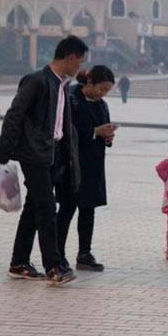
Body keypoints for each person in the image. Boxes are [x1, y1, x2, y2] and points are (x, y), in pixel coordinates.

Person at [0, 35, 87, 286]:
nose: (80, 66)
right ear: (69, 58)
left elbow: (61, 124)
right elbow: (15, 114)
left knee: (35, 208)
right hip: (34, 154)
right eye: (79, 61)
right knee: (47, 208)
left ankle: (19, 262)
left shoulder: (61, 85)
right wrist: (3, 150)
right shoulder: (36, 81)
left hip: (52, 154)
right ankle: (54, 267)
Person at [56, 66, 118, 272]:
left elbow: (103, 129)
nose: (103, 94)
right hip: (72, 164)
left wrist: (108, 135)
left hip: (94, 164)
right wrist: (93, 132)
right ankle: (57, 255)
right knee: (67, 209)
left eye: (107, 91)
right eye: (102, 89)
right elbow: (65, 130)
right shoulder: (71, 99)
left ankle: (84, 253)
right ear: (89, 83)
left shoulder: (102, 105)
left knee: (88, 209)